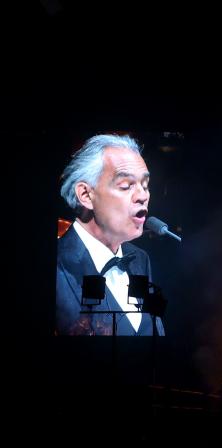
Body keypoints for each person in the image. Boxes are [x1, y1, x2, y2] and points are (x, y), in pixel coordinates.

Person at [56, 134, 165, 336]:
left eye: (145, 185)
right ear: (86, 195)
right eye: (126, 186)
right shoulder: (57, 264)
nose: (143, 195)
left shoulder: (140, 259)